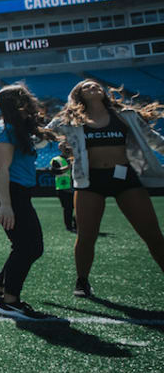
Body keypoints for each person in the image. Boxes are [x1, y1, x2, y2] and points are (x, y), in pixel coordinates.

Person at [46, 79, 164, 297]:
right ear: (78, 94)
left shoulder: (125, 115)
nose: (93, 87)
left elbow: (155, 141)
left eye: (96, 86)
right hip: (91, 181)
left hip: (126, 177)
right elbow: (43, 136)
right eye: (86, 87)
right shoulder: (69, 119)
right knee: (86, 235)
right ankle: (82, 281)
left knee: (152, 234)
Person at [0, 84, 52, 320]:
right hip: (7, 190)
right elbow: (1, 169)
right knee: (28, 246)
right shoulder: (6, 129)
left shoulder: (16, 126)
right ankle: (9, 302)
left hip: (15, 189)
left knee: (26, 245)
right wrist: (6, 204)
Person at [49, 142, 77, 234]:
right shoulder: (56, 159)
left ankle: (77, 224)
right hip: (63, 187)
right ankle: (69, 226)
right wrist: (67, 167)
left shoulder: (75, 157)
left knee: (78, 207)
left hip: (76, 186)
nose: (66, 148)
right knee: (68, 208)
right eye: (63, 146)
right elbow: (54, 171)